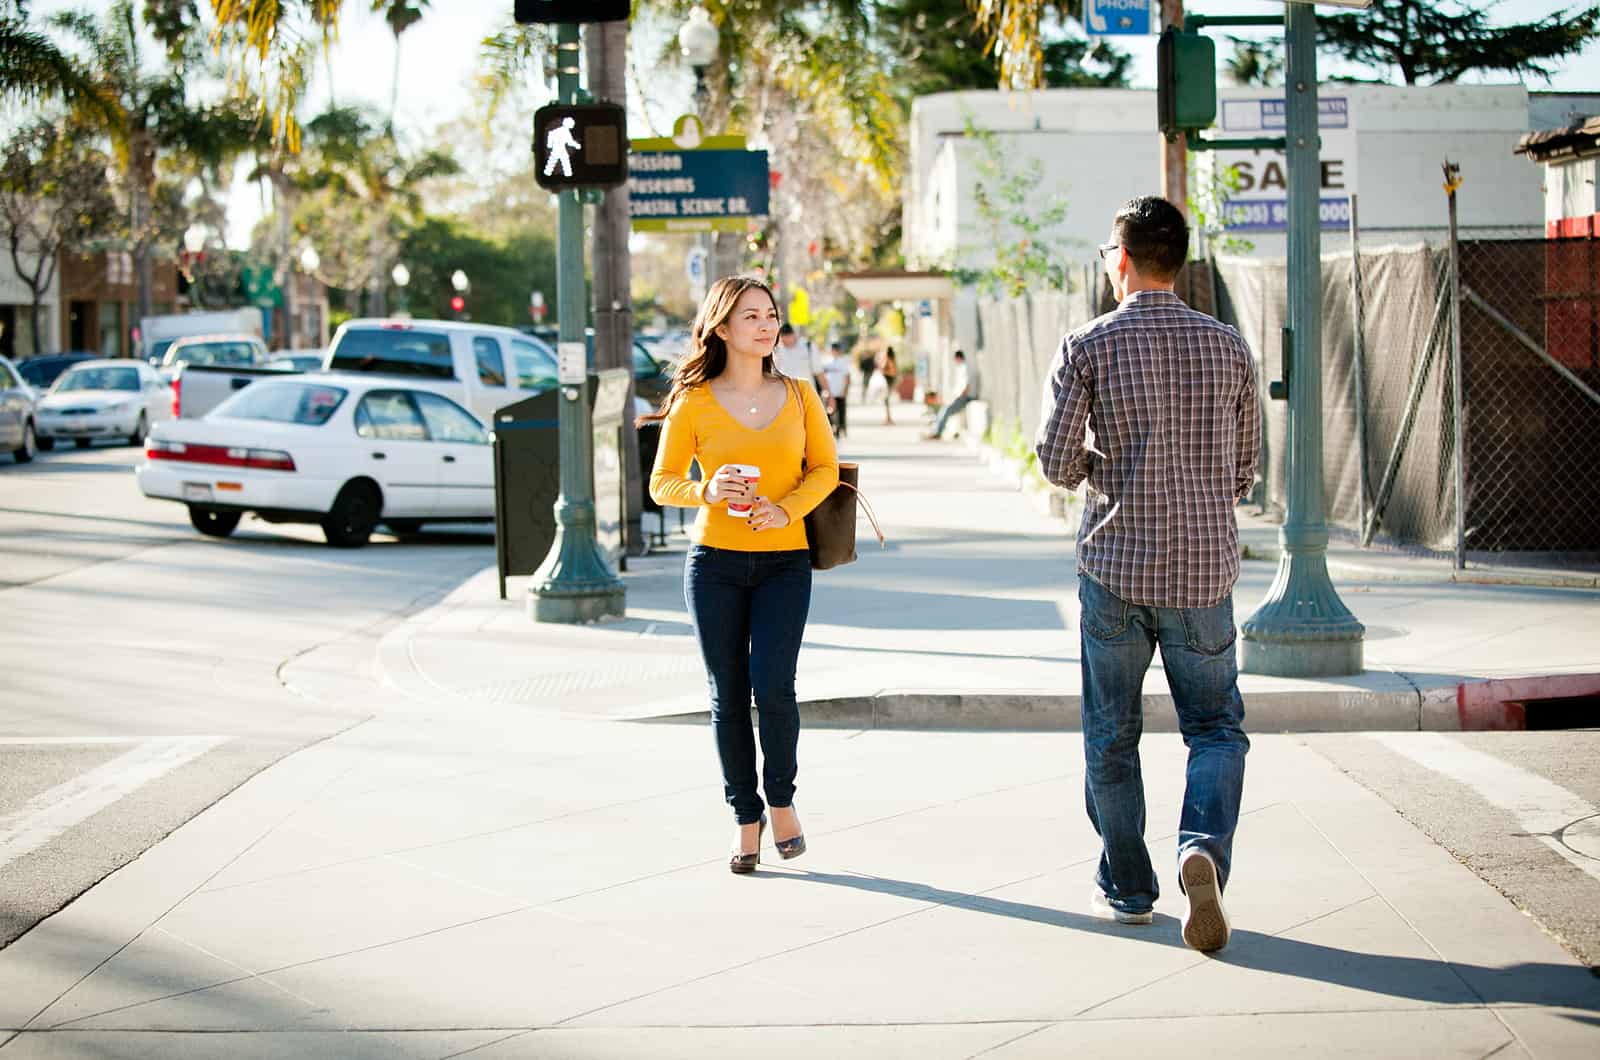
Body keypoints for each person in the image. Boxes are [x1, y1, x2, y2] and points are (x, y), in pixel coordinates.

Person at [1034, 196, 1259, 953]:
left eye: (1107, 253)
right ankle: (1201, 848)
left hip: (1115, 569)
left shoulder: (1087, 345)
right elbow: (1244, 471)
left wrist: (1115, 473)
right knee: (1217, 729)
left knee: (1110, 736)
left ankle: (1129, 890)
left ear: (1122, 259)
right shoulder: (1228, 344)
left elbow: (1056, 461)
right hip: (1203, 575)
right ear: (1180, 260)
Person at [643, 276, 840, 875]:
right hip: (714, 566)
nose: (765, 325)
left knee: (774, 687)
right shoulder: (694, 401)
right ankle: (743, 816)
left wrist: (787, 508)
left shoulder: (801, 394)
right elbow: (662, 481)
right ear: (722, 328)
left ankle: (781, 802)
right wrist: (706, 488)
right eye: (751, 315)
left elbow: (826, 469)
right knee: (726, 696)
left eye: (771, 315)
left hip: (784, 562)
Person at [924, 350, 974, 440]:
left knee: (946, 410)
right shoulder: (961, 368)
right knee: (943, 409)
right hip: (957, 397)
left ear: (958, 358)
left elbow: (966, 386)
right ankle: (935, 431)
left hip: (962, 398)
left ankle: (937, 432)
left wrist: (957, 397)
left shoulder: (965, 368)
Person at [773, 323, 825, 395]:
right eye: (782, 340)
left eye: (786, 339)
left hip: (807, 394)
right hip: (787, 395)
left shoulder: (808, 346)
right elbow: (774, 374)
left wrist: (828, 393)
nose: (784, 342)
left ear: (792, 335)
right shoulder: (778, 350)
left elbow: (819, 372)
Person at [820, 341, 852, 438]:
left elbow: (847, 377)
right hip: (830, 392)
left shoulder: (843, 362)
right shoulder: (827, 362)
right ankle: (831, 429)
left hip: (840, 392)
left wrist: (845, 390)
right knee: (829, 412)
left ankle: (841, 429)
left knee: (841, 412)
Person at [877, 347, 898, 424]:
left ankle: (888, 419)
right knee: (886, 401)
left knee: (886, 400)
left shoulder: (889, 360)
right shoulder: (888, 359)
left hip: (888, 382)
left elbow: (893, 372)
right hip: (887, 382)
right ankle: (888, 418)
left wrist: (884, 372)